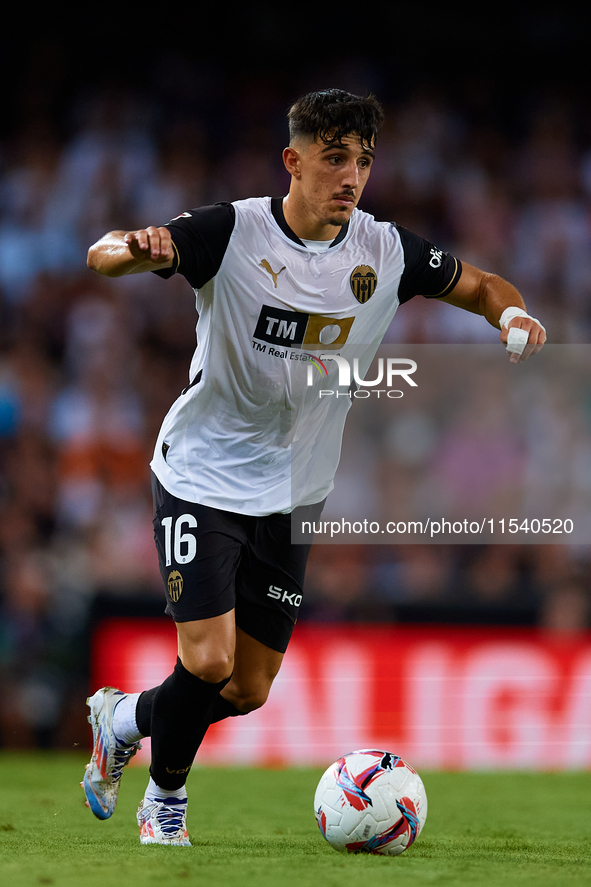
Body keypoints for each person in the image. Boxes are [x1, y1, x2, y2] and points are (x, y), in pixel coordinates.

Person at [82, 88, 546, 846]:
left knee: (249, 686)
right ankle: (163, 801)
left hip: (294, 490)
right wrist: (135, 247)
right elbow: (103, 257)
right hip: (202, 475)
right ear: (292, 162)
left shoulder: (385, 251)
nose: (350, 176)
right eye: (334, 158)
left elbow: (481, 285)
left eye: (362, 161)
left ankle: (124, 716)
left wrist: (512, 315)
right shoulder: (230, 231)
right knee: (206, 659)